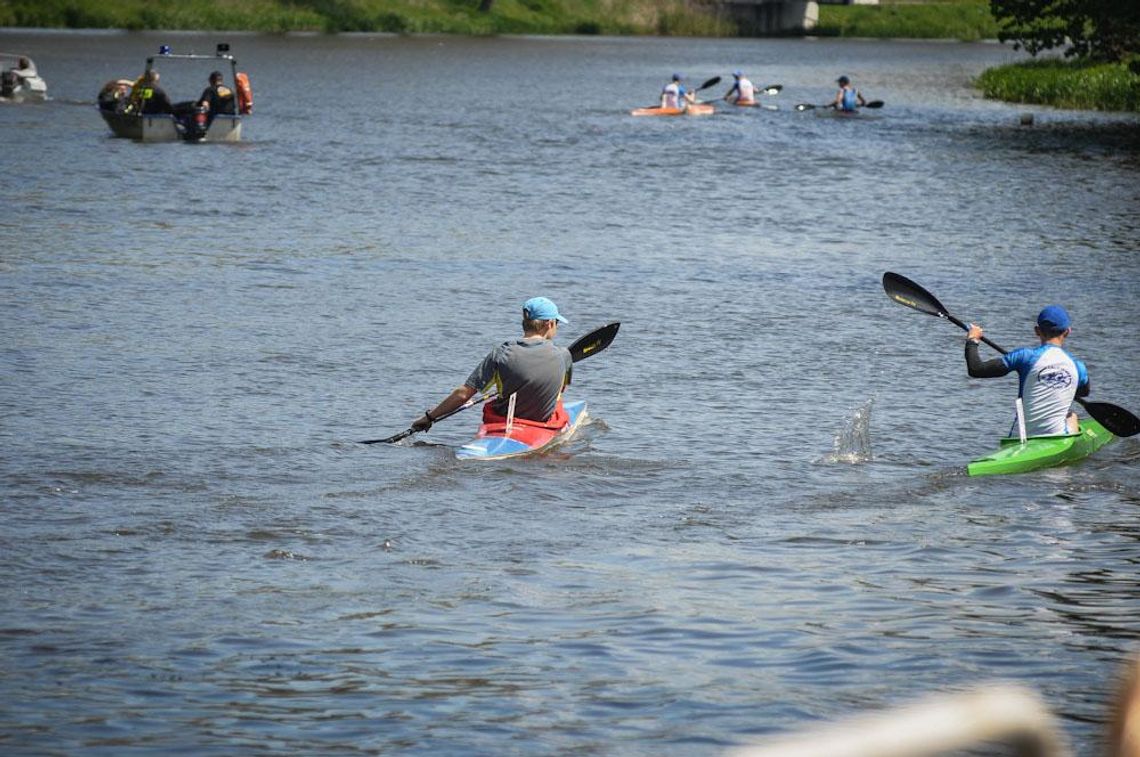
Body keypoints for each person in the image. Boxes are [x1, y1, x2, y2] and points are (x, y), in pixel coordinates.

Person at [410, 297, 574, 433]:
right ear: (549, 324)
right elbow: (558, 391)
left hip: (503, 421)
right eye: (557, 323)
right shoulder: (564, 355)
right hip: (541, 424)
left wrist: (429, 417)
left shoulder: (502, 352)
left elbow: (463, 394)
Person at [965, 305, 1089, 437]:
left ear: (1037, 331)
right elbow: (1083, 392)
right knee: (1072, 415)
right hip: (1056, 436)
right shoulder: (1078, 366)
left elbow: (976, 369)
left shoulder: (1023, 356)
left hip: (1019, 437)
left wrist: (972, 339)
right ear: (1067, 332)